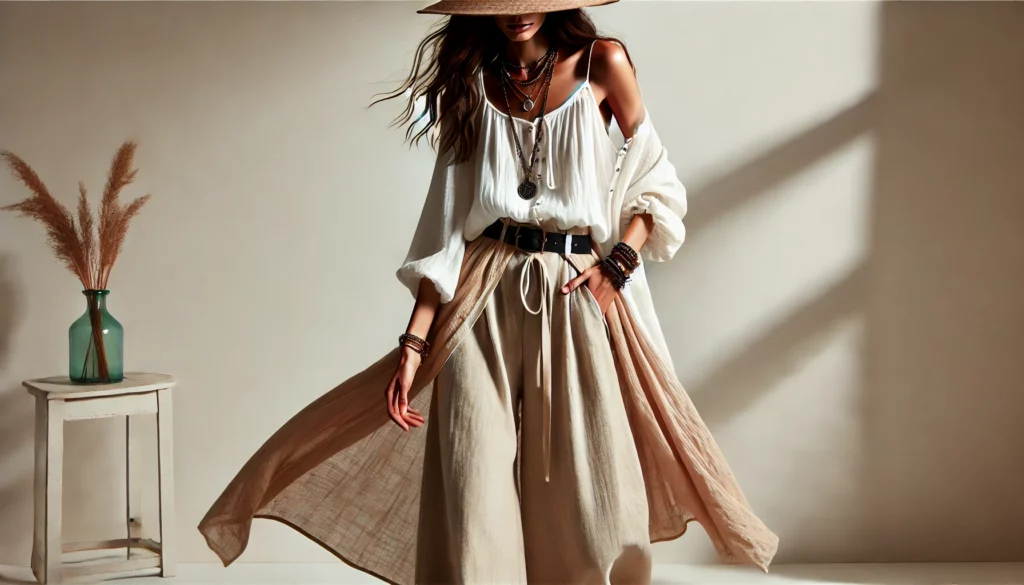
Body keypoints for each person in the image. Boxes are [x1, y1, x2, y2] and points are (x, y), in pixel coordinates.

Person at [198, 2, 778, 584]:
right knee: (470, 484)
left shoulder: (602, 63)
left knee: (591, 495)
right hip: (479, 298)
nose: (515, 13)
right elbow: (444, 228)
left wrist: (616, 267)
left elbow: (657, 179)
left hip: (573, 292)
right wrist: (414, 344)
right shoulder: (470, 85)